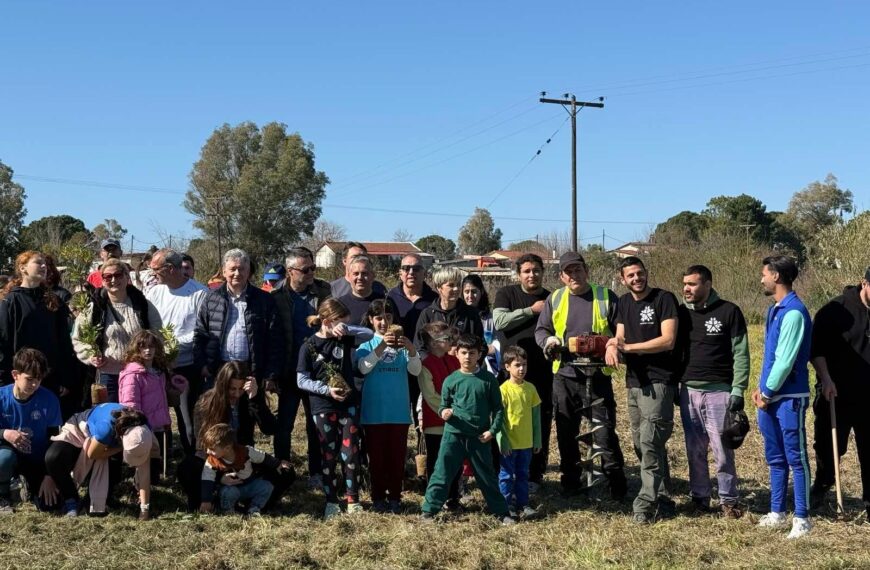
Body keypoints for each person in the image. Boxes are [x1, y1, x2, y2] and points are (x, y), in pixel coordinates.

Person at [535, 252, 626, 499]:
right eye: (568, 272)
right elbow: (541, 329)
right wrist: (549, 341)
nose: (573, 275)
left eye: (578, 270)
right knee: (567, 433)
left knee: (604, 432)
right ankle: (571, 483)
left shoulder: (606, 296)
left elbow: (621, 326)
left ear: (586, 271)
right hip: (565, 375)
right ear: (562, 276)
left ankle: (615, 484)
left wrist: (612, 343)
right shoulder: (555, 298)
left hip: (598, 375)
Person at [605, 255, 679, 524]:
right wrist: (613, 345)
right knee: (641, 442)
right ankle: (663, 495)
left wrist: (629, 349)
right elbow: (621, 334)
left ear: (646, 272)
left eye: (640, 273)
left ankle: (644, 504)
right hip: (634, 382)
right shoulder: (624, 303)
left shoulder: (664, 299)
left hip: (658, 381)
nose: (637, 278)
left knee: (650, 441)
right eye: (631, 276)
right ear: (623, 280)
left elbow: (668, 340)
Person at [677, 265, 749, 518]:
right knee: (694, 449)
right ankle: (699, 498)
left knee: (722, 449)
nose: (687, 288)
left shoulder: (729, 311)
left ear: (708, 284)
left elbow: (741, 353)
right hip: (688, 391)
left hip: (720, 391)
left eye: (693, 284)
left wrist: (738, 389)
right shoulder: (680, 314)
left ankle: (728, 500)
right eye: (685, 284)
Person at [420, 333, 512, 525]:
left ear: (479, 354)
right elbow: (443, 405)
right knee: (441, 473)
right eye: (463, 352)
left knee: (487, 477)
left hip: (479, 437)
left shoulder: (488, 380)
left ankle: (502, 513)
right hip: (453, 436)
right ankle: (428, 511)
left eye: (472, 353)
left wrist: (492, 431)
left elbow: (498, 410)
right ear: (457, 354)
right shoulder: (451, 380)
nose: (467, 357)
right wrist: (444, 412)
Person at [751, 255, 813, 539]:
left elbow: (785, 361)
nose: (761, 278)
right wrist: (760, 388)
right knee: (775, 457)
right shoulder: (773, 309)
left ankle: (802, 518)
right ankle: (777, 511)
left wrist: (766, 391)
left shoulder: (794, 312)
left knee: (795, 457)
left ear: (776, 276)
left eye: (764, 274)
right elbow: (768, 357)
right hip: (769, 397)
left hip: (789, 397)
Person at [194, 248, 283, 440]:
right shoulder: (211, 298)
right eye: (232, 269)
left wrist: (270, 373)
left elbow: (274, 339)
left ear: (249, 271)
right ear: (224, 271)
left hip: (250, 370)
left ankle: (244, 465)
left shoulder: (264, 300)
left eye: (242, 269)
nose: (237, 273)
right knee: (217, 422)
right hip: (219, 370)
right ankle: (216, 465)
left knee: (245, 423)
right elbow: (200, 334)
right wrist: (202, 365)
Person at [297, 299, 373, 518]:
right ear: (327, 321)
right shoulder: (309, 345)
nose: (344, 327)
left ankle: (353, 499)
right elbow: (301, 380)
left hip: (349, 404)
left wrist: (348, 328)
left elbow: (368, 334)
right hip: (323, 406)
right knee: (328, 454)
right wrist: (326, 390)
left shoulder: (346, 339)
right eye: (340, 322)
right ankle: (331, 500)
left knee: (351, 454)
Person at [178, 361, 287, 511]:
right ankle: (211, 500)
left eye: (240, 389)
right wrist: (220, 476)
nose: (236, 394)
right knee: (187, 468)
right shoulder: (206, 402)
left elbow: (270, 429)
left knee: (286, 471)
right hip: (216, 460)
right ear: (223, 385)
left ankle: (254, 505)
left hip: (244, 460)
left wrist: (255, 399)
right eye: (232, 389)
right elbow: (201, 443)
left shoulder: (249, 398)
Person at [809, 266, 870, 520]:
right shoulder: (835, 310)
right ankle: (823, 484)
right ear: (864, 283)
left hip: (869, 397)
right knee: (829, 447)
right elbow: (816, 350)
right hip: (835, 393)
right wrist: (827, 379)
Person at [271, 247, 330, 485]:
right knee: (284, 424)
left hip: (315, 369)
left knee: (315, 424)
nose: (310, 273)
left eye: (313, 268)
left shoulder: (323, 291)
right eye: (305, 270)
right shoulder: (276, 297)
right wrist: (272, 373)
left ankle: (316, 471)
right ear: (290, 272)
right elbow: (272, 337)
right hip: (288, 370)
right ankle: (282, 469)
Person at [493, 253, 553, 488]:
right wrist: (531, 310)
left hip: (541, 372)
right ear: (519, 274)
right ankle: (505, 472)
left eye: (536, 270)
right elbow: (499, 322)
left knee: (539, 421)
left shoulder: (551, 297)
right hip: (510, 375)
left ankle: (534, 474)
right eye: (527, 271)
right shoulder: (506, 294)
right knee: (507, 420)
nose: (532, 275)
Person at [356, 300, 421, 513]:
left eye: (389, 317)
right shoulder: (365, 345)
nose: (384, 322)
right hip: (374, 412)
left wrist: (411, 349)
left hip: (399, 412)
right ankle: (377, 497)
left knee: (396, 458)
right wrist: (382, 345)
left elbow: (416, 370)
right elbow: (363, 368)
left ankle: (395, 497)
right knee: (376, 459)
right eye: (379, 318)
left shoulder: (403, 348)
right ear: (371, 321)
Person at [45, 404, 159, 519]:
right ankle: (71, 498)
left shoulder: (143, 432)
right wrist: (119, 448)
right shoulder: (106, 428)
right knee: (53, 458)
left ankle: (102, 496)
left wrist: (144, 511)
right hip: (80, 429)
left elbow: (144, 471)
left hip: (110, 440)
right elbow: (92, 453)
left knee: (97, 503)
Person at [0, 251, 78, 418]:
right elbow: (4, 342)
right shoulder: (10, 302)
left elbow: (64, 341)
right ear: (23, 268)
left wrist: (65, 378)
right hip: (21, 377)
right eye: (38, 263)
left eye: (45, 264)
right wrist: (4, 378)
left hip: (49, 378)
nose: (44, 267)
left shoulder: (54, 301)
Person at [72, 258, 162, 403]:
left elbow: (158, 334)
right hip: (108, 375)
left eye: (118, 275)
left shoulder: (142, 305)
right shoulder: (94, 308)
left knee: (138, 418)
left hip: (139, 372)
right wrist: (90, 355)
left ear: (127, 277)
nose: (113, 280)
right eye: (108, 276)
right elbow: (78, 338)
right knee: (110, 419)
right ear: (102, 281)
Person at [145, 248, 208, 452]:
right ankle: (160, 457)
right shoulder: (154, 292)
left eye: (156, 269)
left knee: (187, 419)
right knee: (155, 415)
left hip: (185, 366)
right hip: (156, 365)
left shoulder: (199, 293)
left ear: (170, 268)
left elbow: (201, 331)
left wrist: (170, 344)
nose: (152, 274)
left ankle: (193, 461)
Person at [0, 349, 63, 514]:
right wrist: (5, 433)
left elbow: (56, 440)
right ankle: (2, 495)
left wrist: (49, 475)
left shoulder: (49, 400)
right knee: (3, 459)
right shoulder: (1, 397)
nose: (34, 384)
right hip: (8, 455)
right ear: (15, 375)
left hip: (37, 461)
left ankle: (25, 486)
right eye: (29, 379)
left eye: (39, 379)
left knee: (51, 506)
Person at [119, 330, 182, 479]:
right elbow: (130, 403)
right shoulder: (133, 374)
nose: (148, 350)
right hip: (143, 427)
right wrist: (138, 425)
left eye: (151, 347)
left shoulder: (158, 371)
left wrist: (176, 384)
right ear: (136, 349)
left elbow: (163, 394)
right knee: (143, 464)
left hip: (159, 424)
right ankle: (139, 489)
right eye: (143, 347)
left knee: (155, 466)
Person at [417, 322, 463, 509]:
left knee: (456, 461)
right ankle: (435, 499)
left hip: (457, 421)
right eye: (446, 339)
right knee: (438, 462)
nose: (451, 342)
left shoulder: (454, 361)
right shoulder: (425, 365)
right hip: (436, 423)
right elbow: (430, 396)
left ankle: (453, 498)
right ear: (434, 343)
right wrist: (448, 410)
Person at [387, 253, 437, 430]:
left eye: (416, 268)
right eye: (406, 268)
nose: (411, 272)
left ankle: (423, 454)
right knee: (397, 413)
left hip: (424, 365)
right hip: (396, 365)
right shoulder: (390, 298)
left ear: (424, 272)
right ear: (400, 273)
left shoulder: (434, 299)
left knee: (424, 415)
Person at [198, 423, 290, 516]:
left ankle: (254, 508)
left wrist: (278, 463)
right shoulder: (211, 461)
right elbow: (207, 480)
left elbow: (263, 457)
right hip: (231, 489)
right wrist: (206, 501)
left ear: (227, 448)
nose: (208, 451)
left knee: (266, 486)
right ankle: (228, 510)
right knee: (228, 492)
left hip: (249, 485)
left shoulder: (246, 451)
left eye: (212, 449)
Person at [495, 346, 541, 519]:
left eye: (524, 365)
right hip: (509, 444)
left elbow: (536, 418)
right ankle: (505, 507)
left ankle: (523, 504)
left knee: (523, 475)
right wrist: (502, 441)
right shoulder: (503, 390)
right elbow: (498, 419)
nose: (521, 369)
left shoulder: (531, 389)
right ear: (507, 367)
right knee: (506, 476)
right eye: (517, 365)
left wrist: (537, 440)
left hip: (526, 443)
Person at [414, 267, 483, 350]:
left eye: (458, 284)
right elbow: (419, 346)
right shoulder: (427, 314)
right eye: (451, 285)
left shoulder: (471, 314)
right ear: (439, 288)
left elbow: (481, 346)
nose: (456, 289)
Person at [336, 255, 396, 327]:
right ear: (349, 276)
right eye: (356, 273)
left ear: (373, 275)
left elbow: (395, 330)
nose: (360, 278)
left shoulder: (385, 302)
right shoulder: (340, 304)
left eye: (364, 273)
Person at [461, 274, 499, 374]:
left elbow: (497, 342)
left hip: (487, 366)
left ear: (481, 292)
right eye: (466, 292)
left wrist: (488, 349)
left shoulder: (490, 318)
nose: (470, 296)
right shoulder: (460, 317)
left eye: (474, 292)